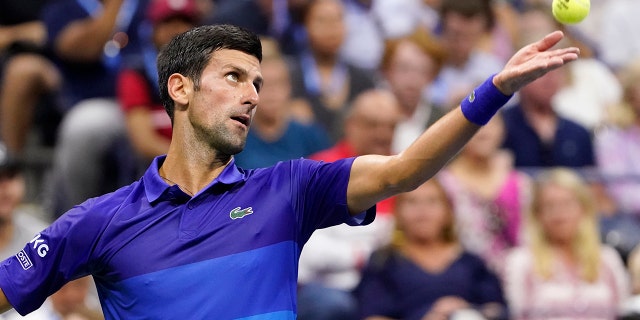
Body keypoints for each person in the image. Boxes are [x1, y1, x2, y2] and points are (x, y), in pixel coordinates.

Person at [0, 24, 579, 318]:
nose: (252, 94)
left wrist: (494, 90)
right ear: (179, 88)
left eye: (258, 82)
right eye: (234, 78)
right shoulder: (99, 220)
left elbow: (405, 170)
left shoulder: (291, 189)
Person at [296, 88, 402, 320]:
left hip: (384, 285)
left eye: (391, 127)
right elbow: (307, 252)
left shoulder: (405, 174)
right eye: (373, 125)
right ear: (350, 125)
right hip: (325, 288)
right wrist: (362, 255)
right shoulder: (320, 170)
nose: (383, 134)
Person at [353, 178, 508, 320]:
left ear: (448, 212)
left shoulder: (470, 262)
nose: (423, 211)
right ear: (398, 212)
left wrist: (467, 308)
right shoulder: (384, 262)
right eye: (412, 202)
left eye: (432, 201)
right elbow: (371, 315)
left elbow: (498, 310)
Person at [503, 168, 629, 319]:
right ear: (537, 214)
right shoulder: (521, 262)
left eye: (567, 204)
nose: (559, 214)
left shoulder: (607, 259)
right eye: (550, 206)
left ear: (583, 209)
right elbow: (518, 315)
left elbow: (622, 312)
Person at [439, 112, 531, 275]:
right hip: (462, 277)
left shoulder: (521, 184)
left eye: (490, 121)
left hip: (515, 278)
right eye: (474, 122)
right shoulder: (444, 185)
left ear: (502, 129)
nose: (483, 130)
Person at [116, 0, 201, 167]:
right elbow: (144, 141)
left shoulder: (208, 72)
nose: (177, 30)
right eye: (168, 22)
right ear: (152, 30)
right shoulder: (136, 73)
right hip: (154, 170)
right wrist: (192, 163)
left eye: (184, 22)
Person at [233, 37, 331, 169]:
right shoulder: (235, 136)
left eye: (279, 83)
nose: (272, 93)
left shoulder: (311, 136)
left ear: (289, 88)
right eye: (263, 85)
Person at [377, 27, 448, 153]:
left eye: (422, 71)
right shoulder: (368, 116)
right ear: (386, 70)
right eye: (404, 68)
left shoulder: (443, 120)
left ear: (432, 76)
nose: (412, 79)